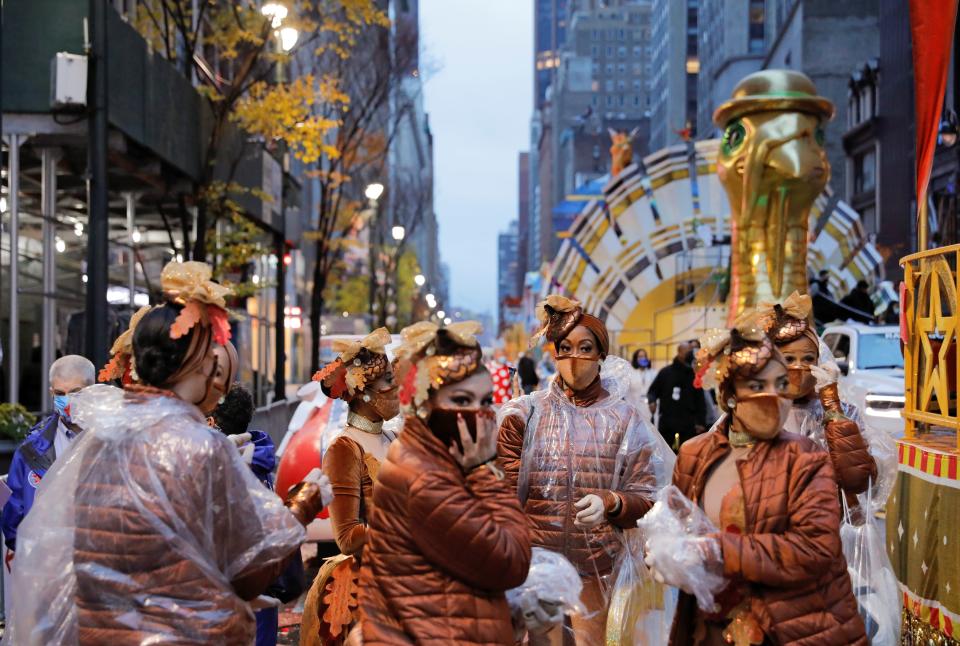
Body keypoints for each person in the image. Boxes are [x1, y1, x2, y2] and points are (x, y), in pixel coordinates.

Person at [6, 261, 333, 644]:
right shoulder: (200, 446)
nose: (215, 373)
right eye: (212, 359)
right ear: (196, 360)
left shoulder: (96, 441)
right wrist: (305, 502)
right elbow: (251, 568)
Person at [657, 313, 867, 644]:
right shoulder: (695, 454)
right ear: (729, 396)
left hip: (794, 627)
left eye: (780, 384)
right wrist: (663, 548)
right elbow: (682, 522)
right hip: (711, 626)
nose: (773, 397)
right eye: (757, 386)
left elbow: (814, 548)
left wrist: (717, 550)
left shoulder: (807, 457)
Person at [499, 296, 673, 644]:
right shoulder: (525, 416)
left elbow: (647, 499)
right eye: (565, 348)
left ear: (601, 356)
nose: (574, 358)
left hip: (597, 574)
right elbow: (503, 499)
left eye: (585, 347)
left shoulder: (626, 421)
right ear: (554, 353)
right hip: (537, 570)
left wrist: (612, 503)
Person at [357, 321, 533, 644]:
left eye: (485, 402)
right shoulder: (425, 476)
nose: (479, 414)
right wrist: (485, 470)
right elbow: (513, 560)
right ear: (426, 404)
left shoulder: (440, 456)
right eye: (462, 401)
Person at [759, 293, 898, 638]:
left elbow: (858, 478)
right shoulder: (752, 412)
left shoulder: (840, 412)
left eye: (809, 358)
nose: (800, 367)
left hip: (831, 554)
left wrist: (832, 406)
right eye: (788, 358)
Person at [300, 328, 400, 645]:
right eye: (386, 380)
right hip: (368, 589)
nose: (395, 386)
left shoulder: (392, 438)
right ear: (362, 392)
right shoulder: (344, 448)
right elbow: (345, 538)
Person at [211, 383, 304, 646]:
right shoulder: (258, 459)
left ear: (212, 420)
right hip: (265, 584)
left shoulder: (230, 465)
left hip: (239, 587)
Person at [2, 355, 96, 570]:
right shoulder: (31, 448)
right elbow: (12, 510)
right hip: (45, 568)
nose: (67, 400)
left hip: (96, 565)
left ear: (91, 391)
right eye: (60, 394)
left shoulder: (111, 439)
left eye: (75, 392)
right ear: (51, 393)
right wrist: (33, 555)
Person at [647, 342, 707, 450]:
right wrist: (652, 401)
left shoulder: (693, 375)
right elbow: (652, 391)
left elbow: (700, 400)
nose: (689, 354)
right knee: (666, 454)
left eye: (690, 352)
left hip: (688, 424)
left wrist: (701, 421)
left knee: (687, 454)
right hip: (667, 422)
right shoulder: (665, 372)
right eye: (687, 351)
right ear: (679, 352)